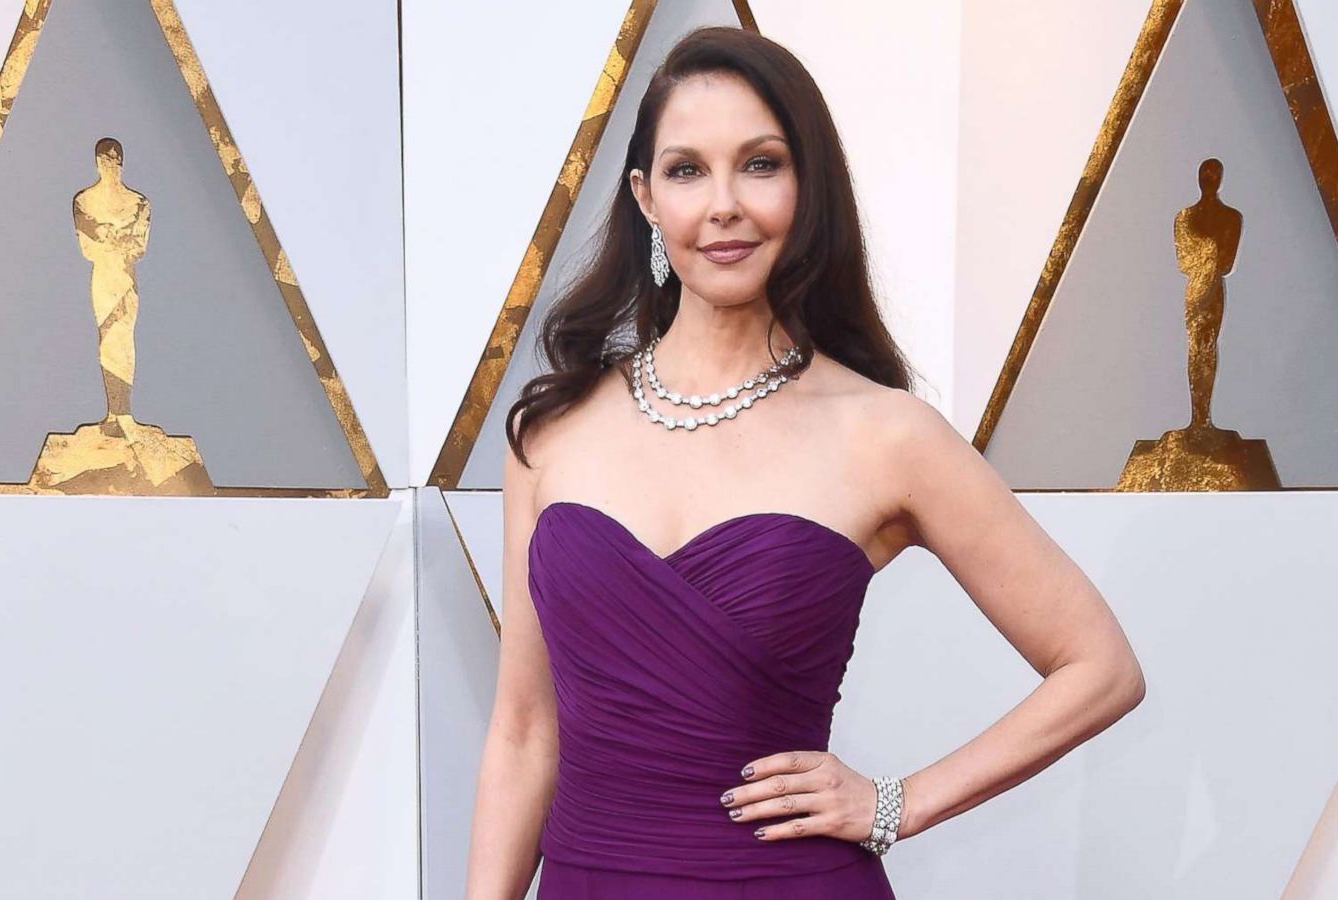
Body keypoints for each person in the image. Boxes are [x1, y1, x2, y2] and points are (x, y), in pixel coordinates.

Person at [465, 25, 1145, 900]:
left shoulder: (885, 433)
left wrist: (895, 803)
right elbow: (524, 732)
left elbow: (1102, 667)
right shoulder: (551, 434)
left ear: (806, 187)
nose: (723, 205)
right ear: (643, 196)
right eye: (685, 170)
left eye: (760, 164)